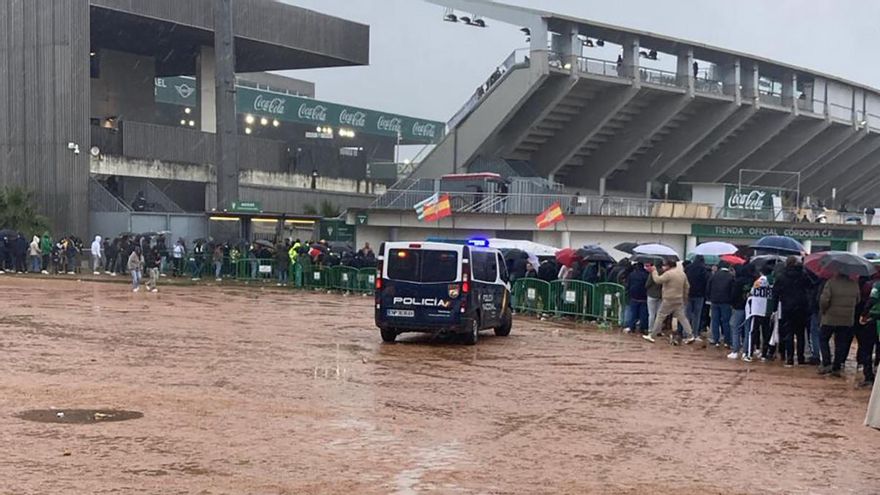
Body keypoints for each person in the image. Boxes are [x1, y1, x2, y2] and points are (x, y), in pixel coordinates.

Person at [644, 259, 695, 344]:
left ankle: (652, 335)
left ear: (668, 266)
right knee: (682, 318)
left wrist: (654, 271)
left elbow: (658, 280)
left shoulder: (669, 274)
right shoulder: (682, 274)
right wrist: (685, 298)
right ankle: (690, 335)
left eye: (665, 265)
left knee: (660, 316)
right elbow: (687, 286)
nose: (663, 267)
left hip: (668, 299)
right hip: (679, 299)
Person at [818, 273, 859, 376]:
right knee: (841, 343)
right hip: (846, 319)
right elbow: (858, 300)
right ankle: (837, 366)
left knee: (823, 338)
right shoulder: (854, 284)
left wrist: (823, 311)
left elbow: (824, 300)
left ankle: (826, 363)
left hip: (830, 317)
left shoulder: (831, 283)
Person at [773, 256, 812, 367]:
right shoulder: (803, 275)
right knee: (800, 334)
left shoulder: (781, 276)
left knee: (788, 333)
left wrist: (774, 308)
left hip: (787, 307)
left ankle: (789, 358)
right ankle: (800, 358)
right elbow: (810, 286)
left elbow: (775, 293)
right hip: (801, 307)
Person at [743, 265, 774, 362]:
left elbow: (752, 291)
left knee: (753, 332)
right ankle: (764, 355)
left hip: (756, 310)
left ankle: (749, 354)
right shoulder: (773, 281)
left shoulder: (758, 281)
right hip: (767, 311)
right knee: (766, 333)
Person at [728, 264, 756, 359]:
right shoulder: (754, 281)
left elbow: (733, 295)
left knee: (735, 328)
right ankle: (746, 351)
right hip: (751, 308)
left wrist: (733, 304)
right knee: (748, 330)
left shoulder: (738, 281)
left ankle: (735, 350)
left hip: (738, 307)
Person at [706, 261, 735, 347]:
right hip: (726, 302)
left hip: (714, 301)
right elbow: (732, 290)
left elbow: (708, 287)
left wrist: (709, 298)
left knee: (715, 321)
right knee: (726, 321)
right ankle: (727, 341)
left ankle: (716, 340)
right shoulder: (730, 277)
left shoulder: (714, 275)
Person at [685, 255, 710, 339]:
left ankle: (686, 333)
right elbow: (706, 282)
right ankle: (695, 334)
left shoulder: (688, 268)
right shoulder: (703, 269)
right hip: (699, 295)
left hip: (688, 293)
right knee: (697, 315)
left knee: (687, 314)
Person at [624, 262, 649, 334]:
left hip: (633, 296)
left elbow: (628, 284)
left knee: (633, 313)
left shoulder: (632, 275)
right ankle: (643, 328)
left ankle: (632, 327)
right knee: (643, 313)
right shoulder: (646, 275)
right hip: (644, 297)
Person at [645, 263, 663, 331]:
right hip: (660, 295)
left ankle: (650, 329)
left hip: (651, 294)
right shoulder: (664, 273)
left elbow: (647, 284)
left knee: (651, 314)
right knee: (659, 313)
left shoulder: (653, 273)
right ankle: (658, 329)